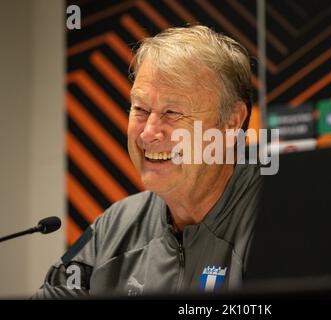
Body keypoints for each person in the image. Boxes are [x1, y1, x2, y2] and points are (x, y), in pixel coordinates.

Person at [33, 25, 262, 298]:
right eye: (140, 109)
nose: (149, 132)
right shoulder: (115, 226)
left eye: (173, 112)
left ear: (231, 122)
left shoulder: (280, 220)